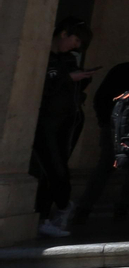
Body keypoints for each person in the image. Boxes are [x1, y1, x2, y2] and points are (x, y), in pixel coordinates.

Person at [71, 37, 129, 228]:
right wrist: (106, 124)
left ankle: (123, 209)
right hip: (116, 130)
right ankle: (83, 210)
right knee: (105, 167)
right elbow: (102, 99)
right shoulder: (122, 71)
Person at [29, 20, 96, 238]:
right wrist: (68, 78)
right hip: (43, 119)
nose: (75, 46)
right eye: (75, 40)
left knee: (57, 166)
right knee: (50, 166)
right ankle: (55, 209)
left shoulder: (68, 60)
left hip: (66, 119)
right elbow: (39, 82)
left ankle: (50, 213)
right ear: (64, 33)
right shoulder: (42, 54)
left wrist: (79, 77)